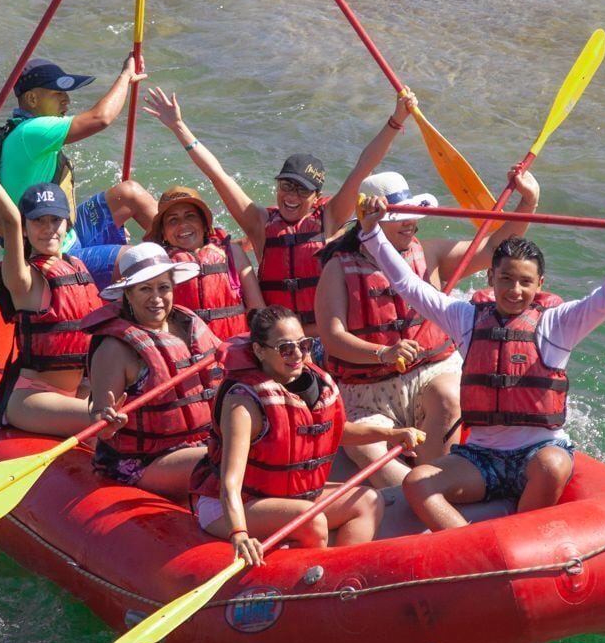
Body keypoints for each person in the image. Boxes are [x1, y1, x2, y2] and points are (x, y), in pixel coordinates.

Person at [354, 192, 605, 528]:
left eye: (525, 282)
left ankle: (523, 539)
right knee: (418, 482)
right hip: (481, 458)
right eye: (506, 279)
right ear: (491, 278)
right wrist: (372, 233)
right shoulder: (465, 318)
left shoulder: (558, 324)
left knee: (552, 466)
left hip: (537, 453)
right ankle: (468, 545)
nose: (514, 290)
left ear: (540, 285)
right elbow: (408, 285)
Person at [142, 84, 422, 345]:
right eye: (286, 186)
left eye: (302, 190)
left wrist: (396, 120)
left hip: (327, 340)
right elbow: (217, 174)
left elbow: (363, 166)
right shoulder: (260, 224)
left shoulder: (330, 218)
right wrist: (179, 127)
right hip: (280, 345)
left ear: (316, 198)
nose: (291, 196)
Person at [314, 166, 541, 486]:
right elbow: (333, 337)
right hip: (367, 391)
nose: (411, 222)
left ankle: (434, 479)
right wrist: (383, 353)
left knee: (450, 396)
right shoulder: (338, 269)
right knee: (365, 449)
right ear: (374, 221)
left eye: (411, 214)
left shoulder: (430, 253)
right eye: (399, 217)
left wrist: (528, 202)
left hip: (429, 374)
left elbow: (492, 249)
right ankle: (413, 491)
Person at [190, 305, 424, 565]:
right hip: (234, 507)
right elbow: (230, 482)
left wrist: (392, 434)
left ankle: (339, 574)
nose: (298, 355)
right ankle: (308, 585)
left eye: (304, 345)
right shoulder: (243, 403)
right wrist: (240, 534)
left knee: (368, 501)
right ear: (259, 351)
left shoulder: (314, 385)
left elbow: (336, 432)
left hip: (291, 499)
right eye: (286, 349)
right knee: (311, 519)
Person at [0, 55, 158, 289]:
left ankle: (183, 253)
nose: (66, 101)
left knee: (129, 193)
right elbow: (101, 118)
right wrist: (125, 76)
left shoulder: (24, 130)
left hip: (66, 233)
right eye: (57, 94)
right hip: (46, 252)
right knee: (140, 259)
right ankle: (167, 274)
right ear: (32, 98)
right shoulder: (31, 132)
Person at [0, 142, 100, 437]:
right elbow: (11, 221)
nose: (49, 228)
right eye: (38, 221)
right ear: (27, 228)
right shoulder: (22, 279)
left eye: (55, 220)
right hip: (33, 398)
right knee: (105, 418)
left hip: (78, 390)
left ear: (67, 224)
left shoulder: (77, 267)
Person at [83, 243, 226, 496]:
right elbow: (100, 424)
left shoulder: (189, 323)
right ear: (128, 293)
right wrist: (108, 423)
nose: (157, 298)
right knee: (230, 460)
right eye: (145, 289)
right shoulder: (115, 348)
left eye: (164, 287)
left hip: (202, 443)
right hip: (145, 461)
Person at [143, 185, 262, 342]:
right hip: (186, 355)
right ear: (163, 232)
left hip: (234, 350)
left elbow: (258, 310)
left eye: (190, 216)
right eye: (173, 220)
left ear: (204, 224)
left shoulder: (232, 253)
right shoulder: (158, 264)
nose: (183, 224)